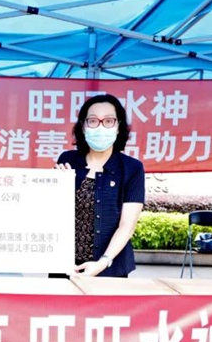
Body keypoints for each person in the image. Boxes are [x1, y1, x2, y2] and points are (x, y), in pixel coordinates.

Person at [55, 93, 145, 277]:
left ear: (118, 126)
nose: (101, 127)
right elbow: (54, 213)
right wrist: (56, 186)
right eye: (93, 121)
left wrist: (103, 262)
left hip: (110, 269)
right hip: (64, 266)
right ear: (83, 126)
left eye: (109, 121)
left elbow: (127, 225)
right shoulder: (67, 160)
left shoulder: (132, 168)